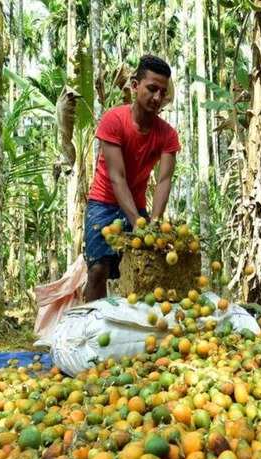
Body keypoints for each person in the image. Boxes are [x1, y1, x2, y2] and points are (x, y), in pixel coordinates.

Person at [83, 55, 181, 302]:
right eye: (151, 89)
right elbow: (117, 178)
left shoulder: (168, 135)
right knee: (97, 271)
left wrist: (155, 222)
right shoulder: (113, 120)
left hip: (136, 205)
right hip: (103, 204)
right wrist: (139, 223)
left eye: (162, 91)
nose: (157, 98)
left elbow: (164, 180)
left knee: (146, 267)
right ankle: (91, 329)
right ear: (135, 86)